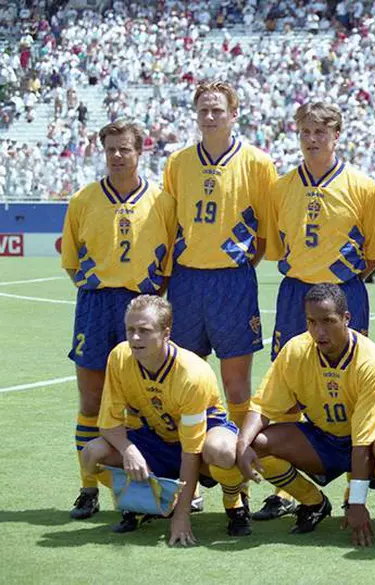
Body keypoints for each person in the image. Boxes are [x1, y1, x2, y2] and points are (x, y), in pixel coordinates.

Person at [256, 101, 375, 521]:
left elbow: (373, 253)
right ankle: (289, 491)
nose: (312, 140)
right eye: (305, 132)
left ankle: (355, 486)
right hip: (295, 291)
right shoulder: (281, 187)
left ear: (336, 136)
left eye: (320, 132)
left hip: (343, 292)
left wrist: (337, 284)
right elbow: (277, 246)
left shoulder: (363, 187)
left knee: (352, 380)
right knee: (288, 380)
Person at [234, 284, 375, 544]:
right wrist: (241, 444)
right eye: (312, 322)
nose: (319, 331)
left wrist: (357, 502)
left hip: (368, 444)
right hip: (323, 438)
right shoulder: (296, 350)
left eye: (328, 321)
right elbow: (263, 406)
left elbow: (362, 441)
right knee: (257, 443)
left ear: (346, 318)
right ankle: (313, 502)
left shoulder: (371, 360)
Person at [60, 120, 174, 520]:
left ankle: (149, 485)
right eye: (111, 149)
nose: (117, 156)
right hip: (95, 305)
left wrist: (145, 300)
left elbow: (169, 263)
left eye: (125, 149)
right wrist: (99, 288)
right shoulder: (83, 199)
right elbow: (71, 262)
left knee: (143, 401)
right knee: (91, 399)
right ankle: (88, 489)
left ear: (139, 151)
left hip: (140, 306)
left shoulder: (162, 201)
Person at [80, 295, 251, 544]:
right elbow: (109, 424)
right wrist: (129, 451)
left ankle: (234, 502)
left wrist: (182, 517)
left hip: (201, 440)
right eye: (130, 329)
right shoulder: (119, 357)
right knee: (91, 454)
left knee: (223, 452)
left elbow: (190, 452)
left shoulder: (192, 374)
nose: (135, 338)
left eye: (144, 330)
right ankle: (148, 503)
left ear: (166, 333)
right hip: (155, 436)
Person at [162, 81, 277, 429]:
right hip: (186, 280)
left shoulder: (257, 163)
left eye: (217, 110)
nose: (210, 117)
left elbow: (263, 231)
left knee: (236, 384)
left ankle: (237, 459)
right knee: (186, 378)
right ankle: (191, 455)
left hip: (232, 281)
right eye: (204, 111)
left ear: (234, 114)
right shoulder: (178, 162)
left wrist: (238, 264)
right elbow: (169, 222)